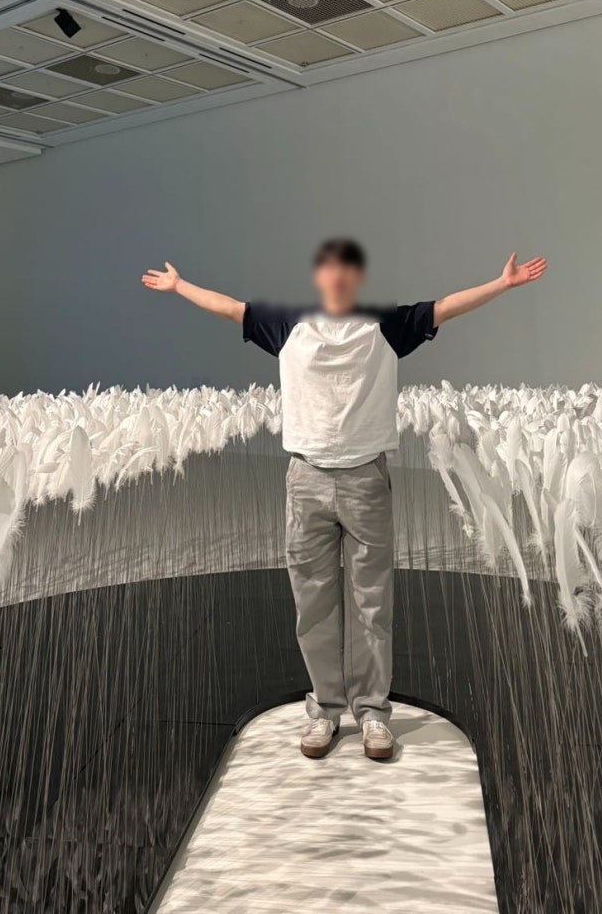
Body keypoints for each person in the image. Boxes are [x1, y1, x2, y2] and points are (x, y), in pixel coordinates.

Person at [142, 240, 548, 760]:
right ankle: (326, 710)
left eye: (346, 271)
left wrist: (502, 284)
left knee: (371, 603)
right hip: (306, 479)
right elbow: (230, 308)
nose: (338, 279)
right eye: (330, 271)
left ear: (357, 280)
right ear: (320, 279)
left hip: (365, 480)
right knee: (312, 604)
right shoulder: (288, 326)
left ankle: (373, 713)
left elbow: (446, 307)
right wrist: (180, 286)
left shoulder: (385, 326)